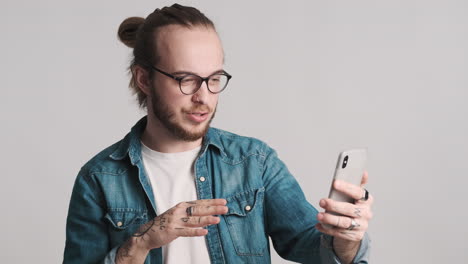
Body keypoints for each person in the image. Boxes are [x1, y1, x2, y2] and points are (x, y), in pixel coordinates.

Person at [63, 3, 373, 264]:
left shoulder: (254, 162)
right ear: (144, 79)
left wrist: (345, 239)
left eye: (214, 79)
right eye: (186, 79)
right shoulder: (98, 179)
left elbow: (312, 245)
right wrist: (141, 242)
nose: (204, 97)